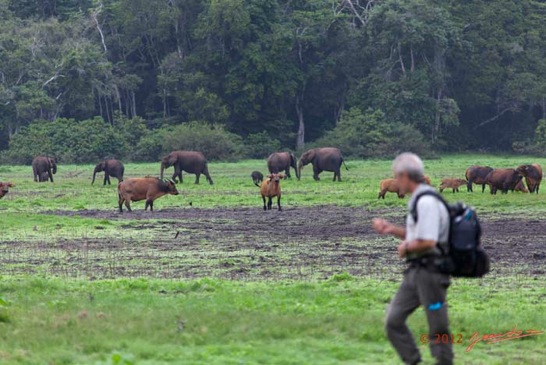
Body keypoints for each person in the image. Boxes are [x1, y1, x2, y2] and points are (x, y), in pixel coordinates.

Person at [372, 153, 453, 365]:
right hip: (415, 271)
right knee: (393, 321)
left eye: (396, 177)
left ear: (405, 175)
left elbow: (428, 240)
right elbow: (418, 234)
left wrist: (406, 247)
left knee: (438, 328)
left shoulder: (426, 201)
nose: (394, 182)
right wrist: (391, 229)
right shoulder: (417, 200)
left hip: (432, 272)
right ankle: (413, 361)